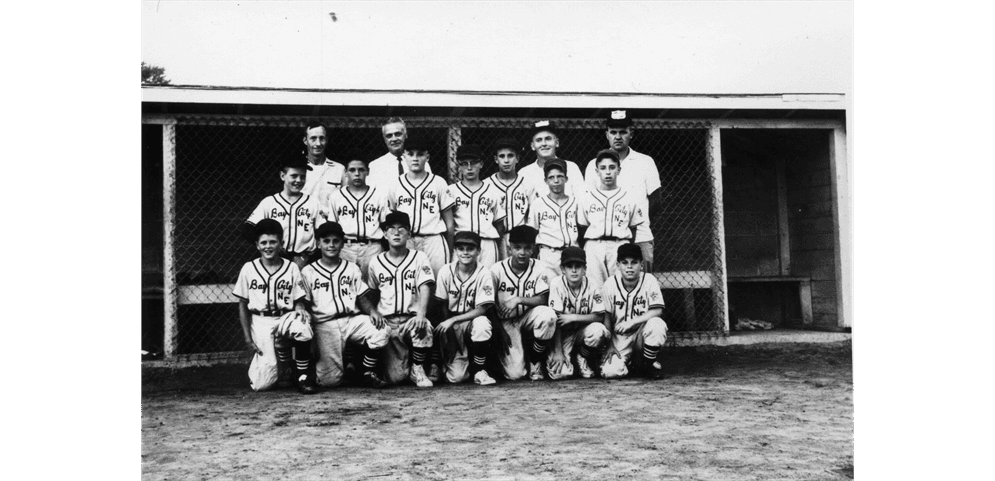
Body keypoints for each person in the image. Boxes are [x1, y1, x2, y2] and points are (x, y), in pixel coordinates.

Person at [301, 221, 390, 388]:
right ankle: (333, 368)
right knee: (330, 382)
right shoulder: (308, 271)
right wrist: (311, 337)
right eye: (326, 241)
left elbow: (361, 297)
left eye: (335, 241)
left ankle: (366, 372)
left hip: (351, 320)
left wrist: (372, 311)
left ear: (342, 243)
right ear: (318, 243)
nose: (331, 245)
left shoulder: (351, 268)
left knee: (382, 329)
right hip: (324, 325)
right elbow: (305, 305)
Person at [233, 219, 317, 394]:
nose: (268, 246)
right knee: (262, 385)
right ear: (257, 245)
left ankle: (302, 376)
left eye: (273, 242)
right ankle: (283, 367)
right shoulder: (249, 268)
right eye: (264, 242)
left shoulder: (292, 267)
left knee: (302, 326)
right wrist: (248, 339)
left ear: (281, 243)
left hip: (285, 315)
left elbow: (299, 297)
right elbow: (242, 305)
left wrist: (300, 307)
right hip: (261, 320)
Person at [584, 110, 662, 271]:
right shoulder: (594, 165)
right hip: (606, 240)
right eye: (613, 132)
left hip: (640, 236)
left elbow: (656, 201)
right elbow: (588, 203)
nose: (617, 137)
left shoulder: (645, 162)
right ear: (607, 134)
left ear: (630, 133)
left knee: (640, 286)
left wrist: (636, 222)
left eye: (622, 132)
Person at [366, 212, 436, 387]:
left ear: (409, 234)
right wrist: (374, 314)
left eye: (401, 229)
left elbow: (425, 286)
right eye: (392, 229)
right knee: (396, 378)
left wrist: (421, 314)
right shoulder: (376, 261)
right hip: (388, 322)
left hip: (411, 319)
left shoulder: (419, 257)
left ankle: (418, 368)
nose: (396, 233)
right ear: (385, 234)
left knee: (425, 326)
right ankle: (396, 365)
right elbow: (373, 294)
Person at [427, 231, 500, 386]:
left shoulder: (484, 273)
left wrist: (454, 320)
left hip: (470, 320)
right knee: (456, 378)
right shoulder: (446, 270)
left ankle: (479, 370)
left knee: (482, 323)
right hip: (450, 322)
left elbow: (482, 309)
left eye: (470, 248)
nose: (465, 252)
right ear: (455, 251)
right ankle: (441, 363)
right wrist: (452, 336)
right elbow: (441, 306)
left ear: (478, 251)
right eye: (461, 248)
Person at [488, 225, 557, 381]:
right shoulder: (497, 270)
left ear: (533, 249)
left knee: (548, 316)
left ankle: (535, 360)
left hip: (527, 316)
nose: (522, 252)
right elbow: (488, 305)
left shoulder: (539, 267)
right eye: (517, 247)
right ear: (509, 247)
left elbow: (543, 299)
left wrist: (519, 299)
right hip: (506, 322)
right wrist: (499, 331)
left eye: (527, 248)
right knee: (516, 375)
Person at [387, 134, 456, 275]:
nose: (415, 158)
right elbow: (393, 217)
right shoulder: (395, 184)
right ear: (404, 156)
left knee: (438, 283)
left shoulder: (438, 182)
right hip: (407, 240)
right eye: (410, 154)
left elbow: (449, 223)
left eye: (420, 154)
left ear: (427, 157)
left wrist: (449, 249)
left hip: (433, 240)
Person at [576, 149, 646, 285]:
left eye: (612, 167)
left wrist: (625, 247)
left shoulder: (629, 196)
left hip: (620, 244)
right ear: (597, 171)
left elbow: (633, 228)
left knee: (620, 287)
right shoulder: (587, 197)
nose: (607, 172)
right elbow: (582, 227)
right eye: (603, 168)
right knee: (595, 288)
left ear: (619, 170)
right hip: (594, 246)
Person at [600, 243, 668, 379]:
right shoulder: (610, 284)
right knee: (611, 372)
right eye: (625, 263)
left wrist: (631, 322)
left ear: (641, 265)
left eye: (634, 262)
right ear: (618, 265)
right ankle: (632, 363)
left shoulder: (649, 280)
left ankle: (647, 365)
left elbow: (657, 310)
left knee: (657, 324)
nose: (629, 267)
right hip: (619, 338)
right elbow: (606, 317)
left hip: (641, 333)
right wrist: (610, 345)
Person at [545, 247, 611, 380]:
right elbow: (555, 320)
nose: (574, 271)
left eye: (578, 266)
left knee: (599, 330)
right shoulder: (556, 284)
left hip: (582, 331)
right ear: (563, 269)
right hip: (562, 335)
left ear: (585, 269)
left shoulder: (592, 284)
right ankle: (565, 358)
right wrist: (558, 352)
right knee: (561, 374)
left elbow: (599, 315)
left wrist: (573, 317)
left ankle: (582, 357)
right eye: (570, 266)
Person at [244, 156, 321, 268]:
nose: (299, 180)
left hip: (306, 261)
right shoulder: (270, 202)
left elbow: (322, 233)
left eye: (302, 177)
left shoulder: (313, 202)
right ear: (282, 176)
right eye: (294, 176)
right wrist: (271, 249)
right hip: (276, 260)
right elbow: (248, 229)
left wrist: (311, 257)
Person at [323, 149, 389, 279]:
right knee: (345, 284)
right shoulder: (336, 196)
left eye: (361, 170)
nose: (357, 174)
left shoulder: (378, 195)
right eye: (352, 170)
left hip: (372, 247)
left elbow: (385, 224)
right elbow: (333, 226)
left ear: (367, 171)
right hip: (346, 248)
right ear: (346, 173)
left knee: (372, 286)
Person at [447, 144, 507, 268]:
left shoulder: (493, 191)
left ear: (481, 164)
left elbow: (500, 225)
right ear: (459, 166)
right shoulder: (451, 191)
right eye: (464, 163)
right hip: (462, 243)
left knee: (487, 282)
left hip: (486, 242)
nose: (469, 168)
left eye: (473, 163)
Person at [483, 137, 535, 255]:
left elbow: (533, 217)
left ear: (517, 158)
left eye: (510, 156)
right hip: (496, 238)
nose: (506, 160)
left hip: (522, 238)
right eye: (502, 156)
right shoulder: (486, 185)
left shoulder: (527, 184)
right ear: (496, 159)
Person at [527, 159, 579, 274]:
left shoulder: (575, 203)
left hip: (572, 253)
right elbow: (532, 232)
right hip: (548, 253)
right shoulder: (538, 204)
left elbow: (582, 229)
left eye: (560, 176)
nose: (556, 181)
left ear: (566, 179)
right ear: (545, 180)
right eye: (551, 177)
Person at [518, 120, 587, 198]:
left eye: (548, 139)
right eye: (539, 140)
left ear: (557, 143)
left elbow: (582, 201)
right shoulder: (524, 173)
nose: (544, 144)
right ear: (532, 146)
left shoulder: (571, 168)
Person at [367, 117, 433, 188]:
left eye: (398, 134)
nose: (394, 139)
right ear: (384, 139)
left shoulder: (421, 162)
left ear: (406, 135)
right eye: (389, 136)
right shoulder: (376, 166)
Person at [301, 121, 346, 206]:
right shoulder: (298, 169)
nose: (318, 143)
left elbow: (346, 201)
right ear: (305, 140)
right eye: (313, 138)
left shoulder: (339, 169)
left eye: (322, 138)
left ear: (327, 140)